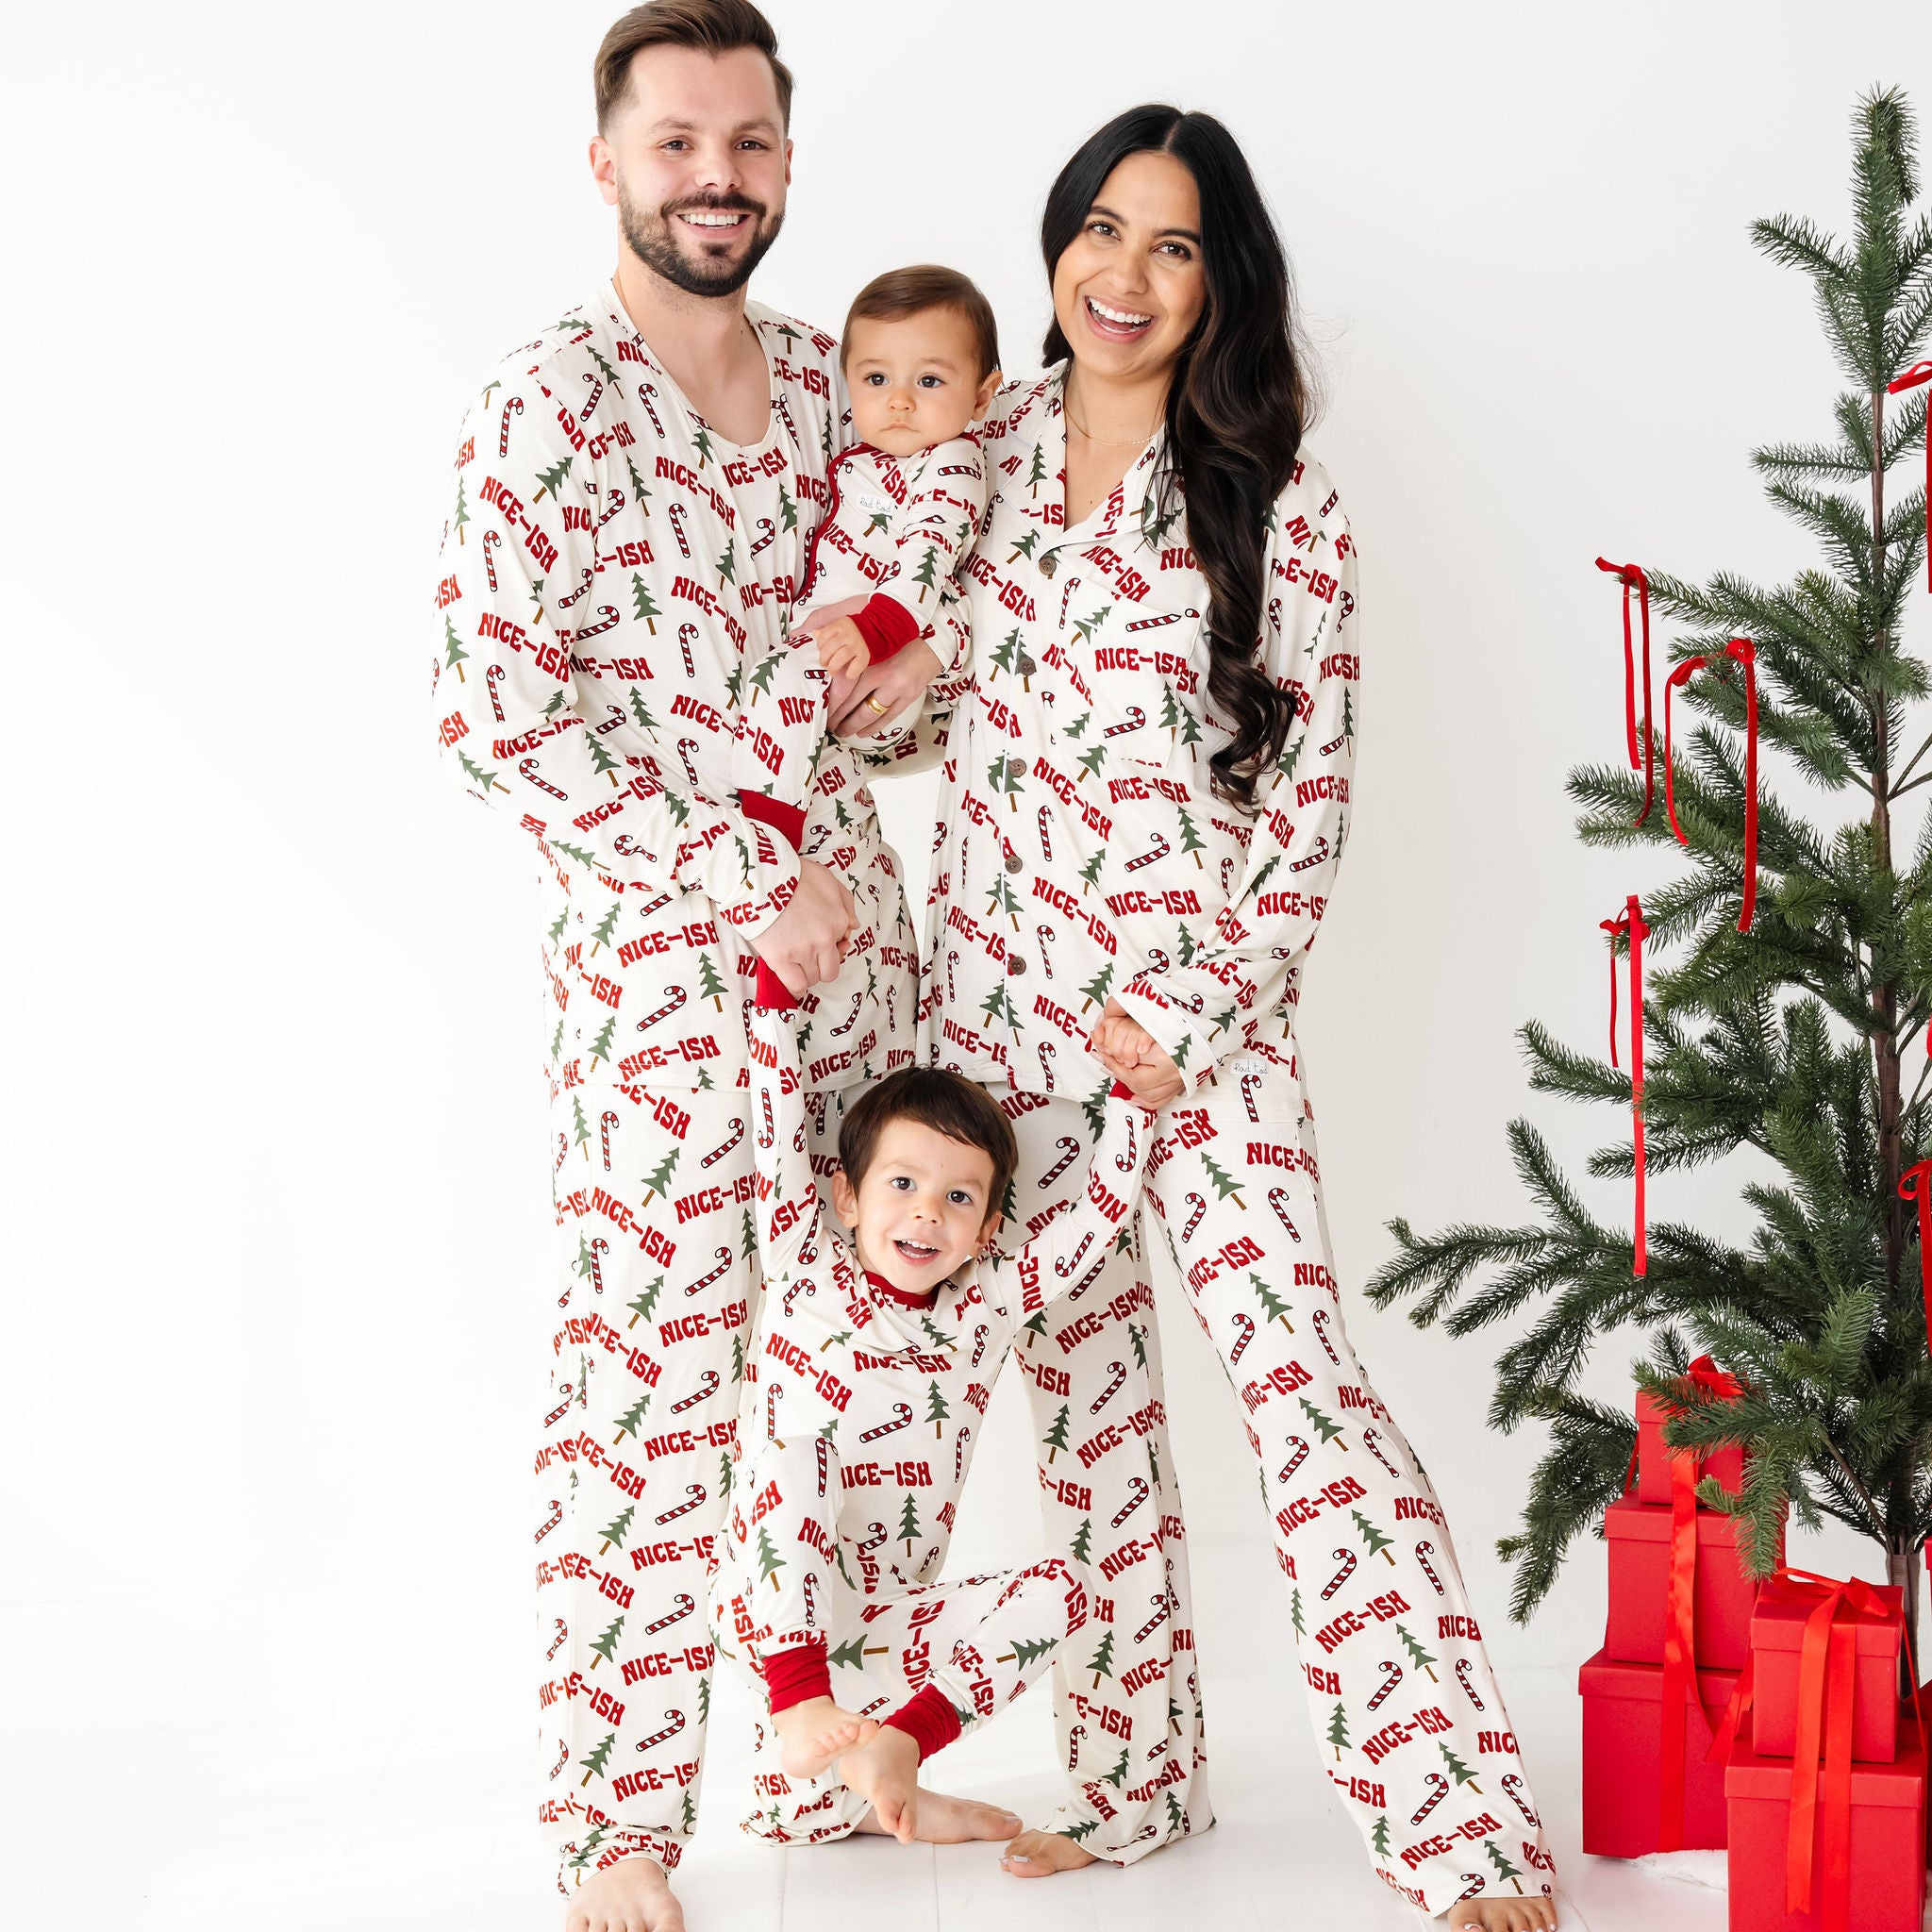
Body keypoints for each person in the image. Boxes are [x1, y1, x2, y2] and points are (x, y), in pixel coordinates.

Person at [833, 107, 1560, 1928]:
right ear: (1055, 246)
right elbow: (927, 720)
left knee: (1303, 1399)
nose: (1123, 276)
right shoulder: (977, 449)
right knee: (1079, 1415)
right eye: (1097, 230)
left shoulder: (1276, 504)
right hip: (997, 1026)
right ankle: (1137, 1779)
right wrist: (867, 683)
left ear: (1219, 278)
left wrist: (1192, 998)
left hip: (1192, 1037)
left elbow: (1300, 802)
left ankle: (1458, 1826)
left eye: (1169, 245)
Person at [429, 7, 969, 1928]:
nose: (714, 174)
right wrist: (730, 885)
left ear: (790, 162)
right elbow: (495, 711)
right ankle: (618, 1820)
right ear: (608, 163)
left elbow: (903, 698)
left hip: (862, 1003)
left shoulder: (848, 390)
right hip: (670, 1002)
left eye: (747, 140)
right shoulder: (549, 403)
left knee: (866, 1379)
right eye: (675, 142)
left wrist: (912, 685)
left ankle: (835, 1765)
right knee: (651, 1401)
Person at [707, 1000, 1158, 1847]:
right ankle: (801, 1701)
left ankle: (903, 1748)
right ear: (846, 1196)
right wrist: (771, 1005)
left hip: (886, 1633)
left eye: (957, 1197)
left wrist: (1131, 1103)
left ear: (987, 1231)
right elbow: (774, 1122)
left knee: (1071, 1587)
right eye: (902, 1184)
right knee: (797, 1458)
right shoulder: (805, 1264)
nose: (925, 1214)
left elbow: (1094, 1224)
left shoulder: (982, 1311)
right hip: (769, 1616)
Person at [733, 266, 998, 1010]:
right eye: (876, 378)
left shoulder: (951, 466)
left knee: (776, 699)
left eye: (930, 381)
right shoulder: (867, 461)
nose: (900, 401)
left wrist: (871, 629)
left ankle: (768, 866)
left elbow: (929, 559)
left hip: (874, 648)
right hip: (851, 652)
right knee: (778, 731)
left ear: (982, 395)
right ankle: (776, 865)